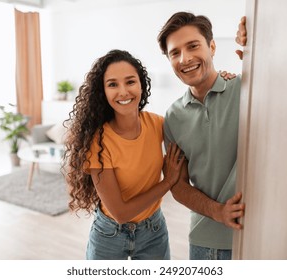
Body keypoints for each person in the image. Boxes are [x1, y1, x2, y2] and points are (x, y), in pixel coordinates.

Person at [63, 49, 184, 260]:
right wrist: (168, 182)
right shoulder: (98, 143)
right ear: (103, 92)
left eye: (130, 82)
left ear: (141, 85)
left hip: (153, 232)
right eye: (112, 84)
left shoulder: (157, 124)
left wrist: (221, 83)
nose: (123, 91)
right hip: (110, 235)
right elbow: (121, 213)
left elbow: (194, 127)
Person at [157, 12, 247, 260]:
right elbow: (178, 186)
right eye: (175, 53)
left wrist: (253, 44)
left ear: (212, 47)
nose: (185, 59)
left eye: (193, 46)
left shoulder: (245, 89)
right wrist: (219, 212)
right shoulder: (173, 116)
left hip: (254, 234)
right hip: (204, 242)